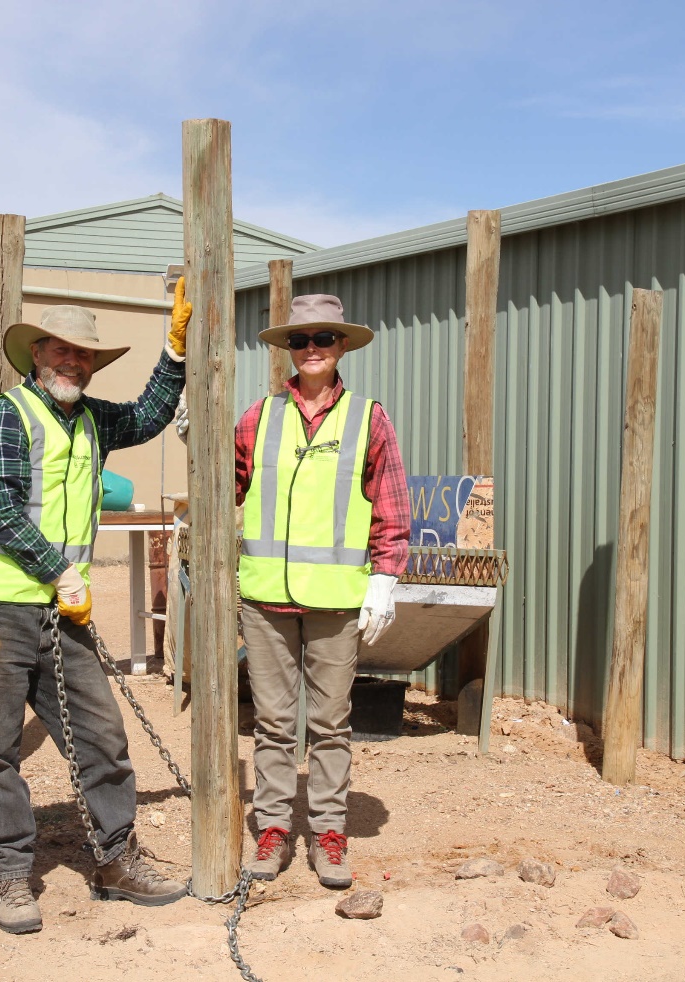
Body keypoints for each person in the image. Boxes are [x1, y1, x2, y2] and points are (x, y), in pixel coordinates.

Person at [0, 284, 191, 935]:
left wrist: (174, 350)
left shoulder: (90, 419)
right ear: (35, 354)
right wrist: (58, 571)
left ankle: (115, 860)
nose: (73, 363)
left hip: (63, 614)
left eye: (83, 355)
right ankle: (7, 874)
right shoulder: (0, 417)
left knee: (100, 736)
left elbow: (148, 415)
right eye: (61, 350)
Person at [235, 294, 409, 888]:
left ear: (341, 347)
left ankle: (329, 830)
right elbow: (225, 484)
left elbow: (390, 506)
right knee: (275, 724)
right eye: (301, 340)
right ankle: (275, 827)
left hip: (336, 602)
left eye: (324, 339)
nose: (312, 350)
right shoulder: (259, 418)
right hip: (266, 600)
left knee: (331, 723)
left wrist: (384, 578)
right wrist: (194, 440)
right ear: (288, 349)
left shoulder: (368, 419)